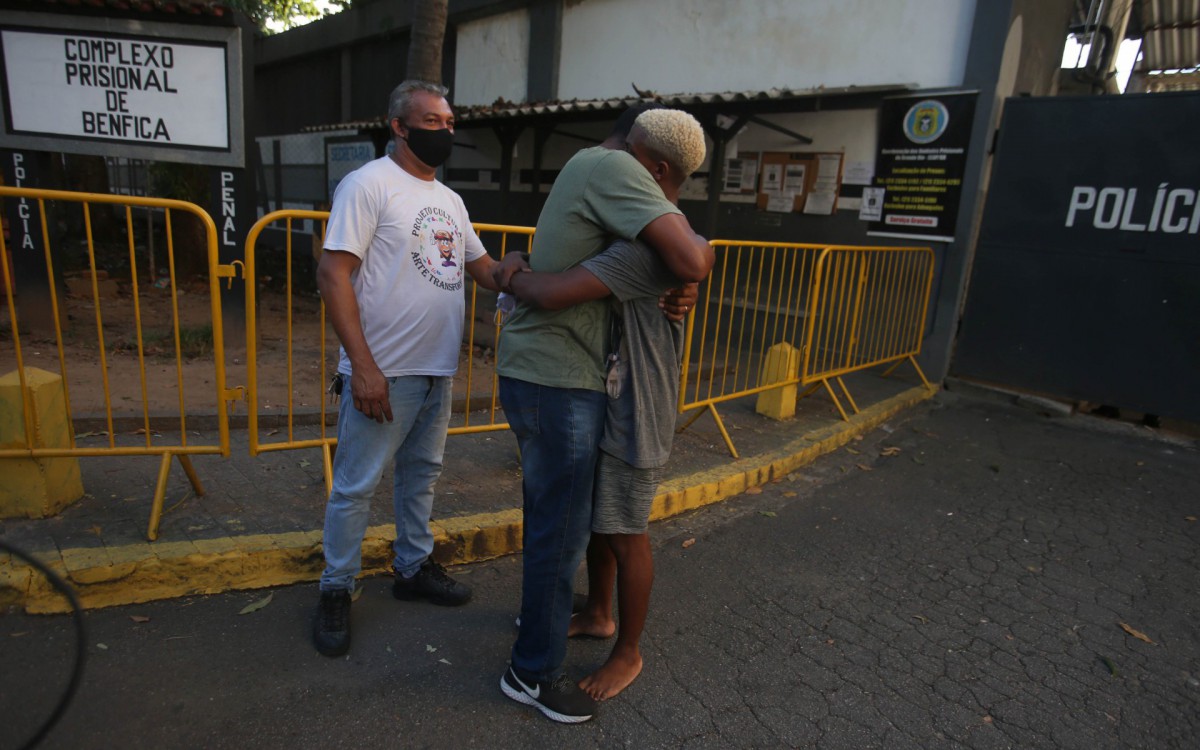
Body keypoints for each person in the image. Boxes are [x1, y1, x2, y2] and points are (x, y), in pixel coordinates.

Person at [492, 105, 712, 723]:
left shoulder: (638, 248)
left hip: (634, 408)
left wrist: (514, 271)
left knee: (607, 527)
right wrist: (517, 266)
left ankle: (616, 646)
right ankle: (577, 630)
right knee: (577, 526)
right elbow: (695, 249)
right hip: (586, 387)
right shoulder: (622, 202)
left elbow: (695, 251)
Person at [312, 80, 505, 658]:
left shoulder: (449, 200)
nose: (445, 131)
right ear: (399, 126)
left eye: (449, 122)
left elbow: (484, 269)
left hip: (435, 372)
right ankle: (336, 589)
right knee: (355, 487)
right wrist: (364, 368)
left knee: (421, 477)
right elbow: (332, 273)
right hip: (384, 373)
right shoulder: (368, 185)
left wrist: (523, 271)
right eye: (431, 121)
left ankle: (412, 568)